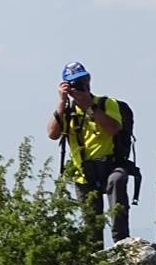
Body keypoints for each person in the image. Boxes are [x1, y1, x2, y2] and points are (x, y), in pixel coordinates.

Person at [47, 61, 131, 244]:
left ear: (88, 80)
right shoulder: (68, 112)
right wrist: (61, 103)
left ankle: (121, 242)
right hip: (84, 173)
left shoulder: (107, 104)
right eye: (74, 83)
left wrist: (88, 106)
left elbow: (113, 128)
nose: (80, 85)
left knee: (117, 181)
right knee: (92, 226)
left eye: (82, 80)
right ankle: (95, 252)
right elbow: (52, 134)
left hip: (111, 165)